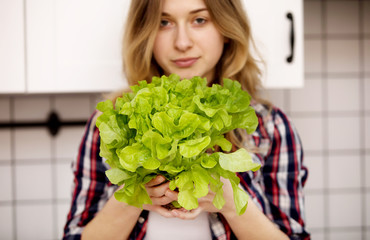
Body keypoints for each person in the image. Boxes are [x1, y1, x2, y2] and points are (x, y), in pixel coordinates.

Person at [63, 0, 310, 239]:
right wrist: (131, 197)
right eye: (164, 23)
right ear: (145, 31)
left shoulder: (270, 126)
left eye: (199, 20)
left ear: (226, 29)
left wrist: (231, 203)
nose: (182, 42)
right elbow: (75, 236)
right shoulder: (112, 123)